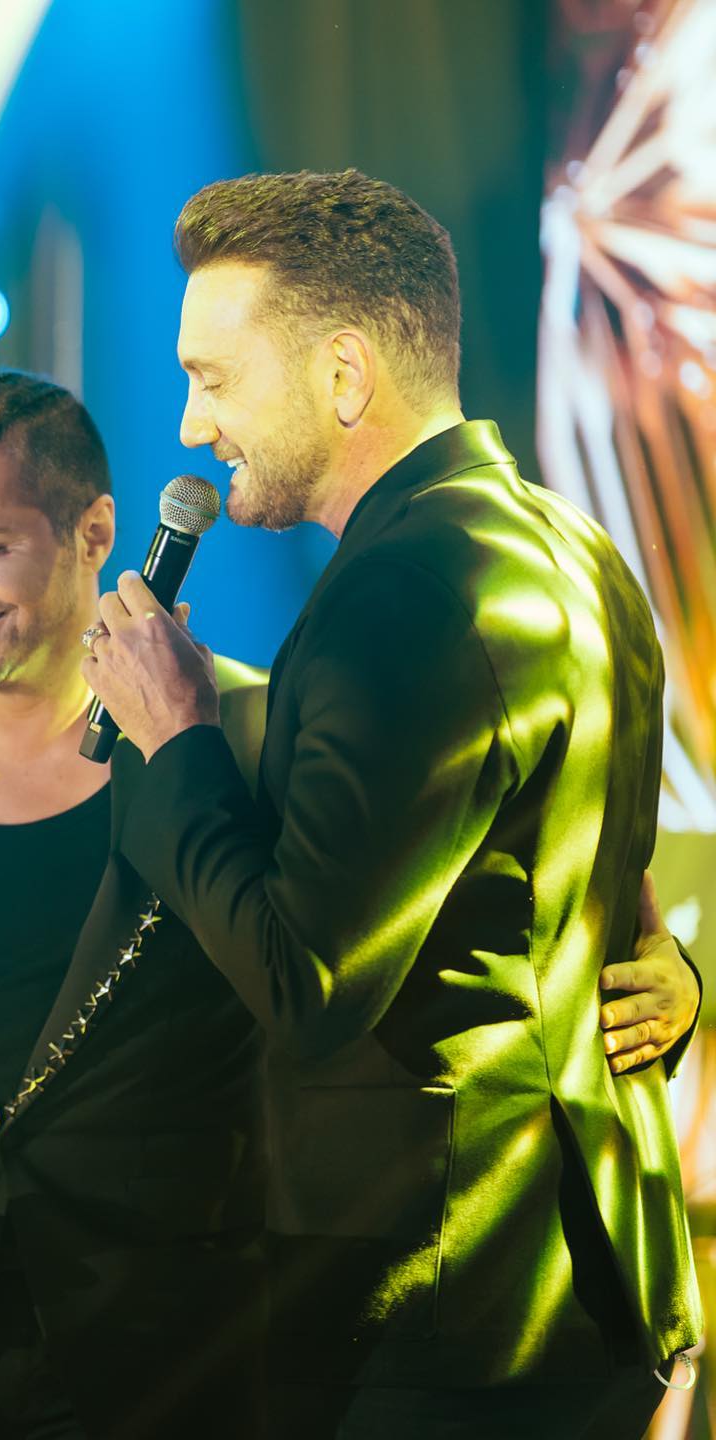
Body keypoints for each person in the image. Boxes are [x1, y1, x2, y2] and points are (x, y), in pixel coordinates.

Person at [0, 364, 696, 1439]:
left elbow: (404, 944)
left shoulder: (244, 735)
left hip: (176, 1363)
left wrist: (665, 981)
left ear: (94, 535)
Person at [82, 170, 704, 1437]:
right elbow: (563, 901)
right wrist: (675, 976)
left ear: (345, 373)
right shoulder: (577, 551)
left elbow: (308, 983)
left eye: (214, 378)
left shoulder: (403, 591)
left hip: (448, 1304)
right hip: (583, 1282)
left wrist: (176, 741)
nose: (193, 427)